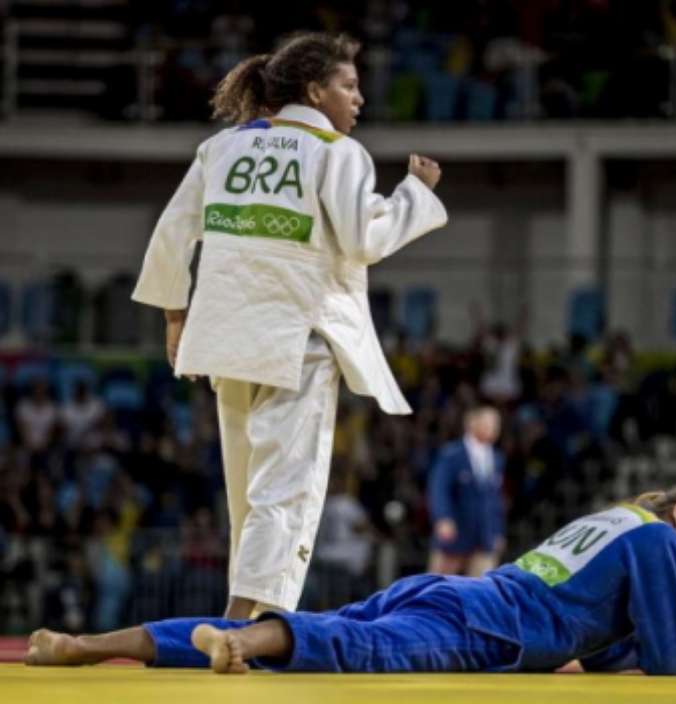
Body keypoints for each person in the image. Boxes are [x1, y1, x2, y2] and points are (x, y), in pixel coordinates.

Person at [130, 32, 447, 619]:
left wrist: (176, 318)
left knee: (247, 496)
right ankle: (241, 626)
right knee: (284, 492)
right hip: (296, 340)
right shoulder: (336, 152)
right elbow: (366, 240)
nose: (359, 100)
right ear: (314, 90)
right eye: (349, 86)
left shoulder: (222, 148)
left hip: (224, 339)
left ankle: (241, 617)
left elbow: (172, 234)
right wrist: (414, 196)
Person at [25, 484, 676, 676]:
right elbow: (667, 664)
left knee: (346, 629)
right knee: (349, 648)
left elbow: (604, 656)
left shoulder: (618, 523)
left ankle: (84, 644)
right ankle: (246, 640)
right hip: (484, 626)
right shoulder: (657, 537)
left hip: (458, 595)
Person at [427, 406, 506, 576]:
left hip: (484, 536)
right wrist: (443, 518)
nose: (494, 428)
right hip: (455, 533)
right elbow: (439, 489)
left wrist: (497, 530)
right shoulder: (452, 454)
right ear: (472, 423)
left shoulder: (497, 458)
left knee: (482, 591)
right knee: (440, 590)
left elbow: (495, 499)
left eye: (496, 423)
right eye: (489, 422)